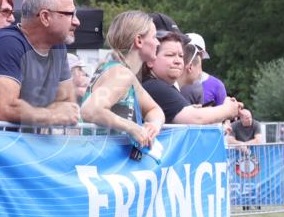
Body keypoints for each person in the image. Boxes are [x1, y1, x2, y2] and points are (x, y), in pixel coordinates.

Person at [0, 0, 80, 125]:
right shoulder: (7, 43)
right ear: (45, 17)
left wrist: (38, 113)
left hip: (33, 144)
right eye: (70, 14)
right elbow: (4, 107)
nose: (77, 22)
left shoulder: (58, 47)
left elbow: (68, 106)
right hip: (3, 145)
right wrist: (52, 115)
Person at [80, 11, 165, 150]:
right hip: (99, 159)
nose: (158, 42)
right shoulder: (121, 74)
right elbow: (89, 111)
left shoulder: (124, 74)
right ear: (139, 40)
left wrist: (153, 125)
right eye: (154, 37)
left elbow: (154, 109)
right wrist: (132, 128)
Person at [142, 32, 241, 124]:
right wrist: (228, 109)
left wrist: (189, 109)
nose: (178, 61)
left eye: (181, 56)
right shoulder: (155, 86)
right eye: (170, 55)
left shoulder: (158, 85)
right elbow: (196, 118)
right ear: (150, 61)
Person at [179, 31, 227, 106]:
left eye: (191, 50)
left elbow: (225, 114)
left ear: (201, 55)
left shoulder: (216, 85)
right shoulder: (172, 82)